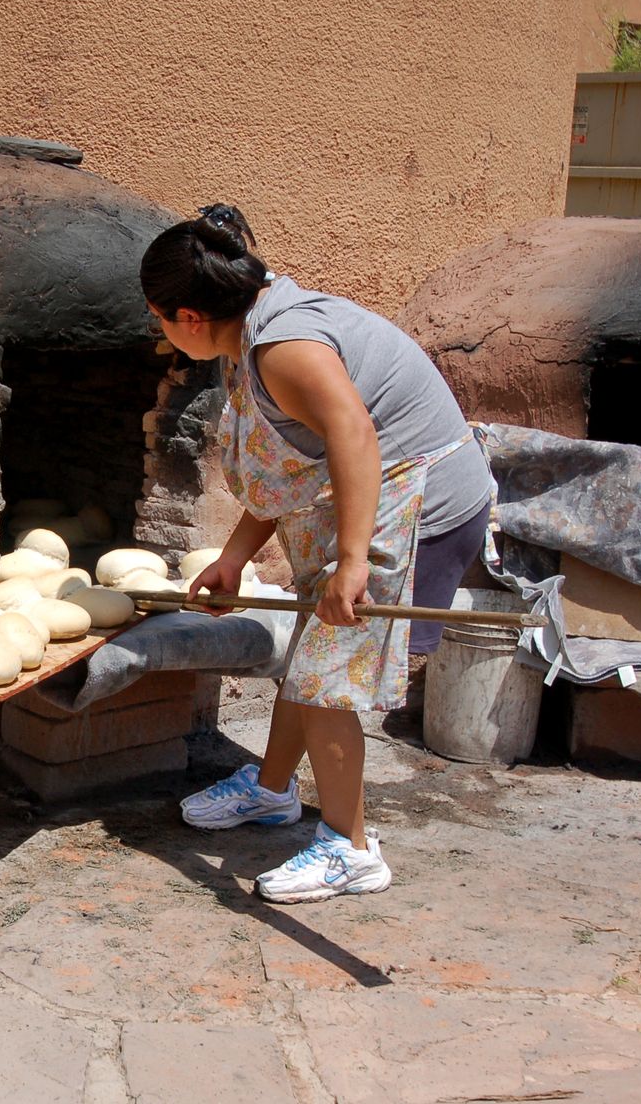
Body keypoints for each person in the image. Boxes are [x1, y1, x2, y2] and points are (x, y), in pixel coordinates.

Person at [141, 205, 493, 904]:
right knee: (311, 656)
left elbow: (354, 436)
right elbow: (287, 468)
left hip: (417, 499)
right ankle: (273, 791)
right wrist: (236, 558)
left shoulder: (286, 348)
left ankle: (351, 849)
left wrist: (355, 562)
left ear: (187, 315)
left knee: (330, 677)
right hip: (369, 491)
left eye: (157, 318)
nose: (161, 333)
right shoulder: (254, 328)